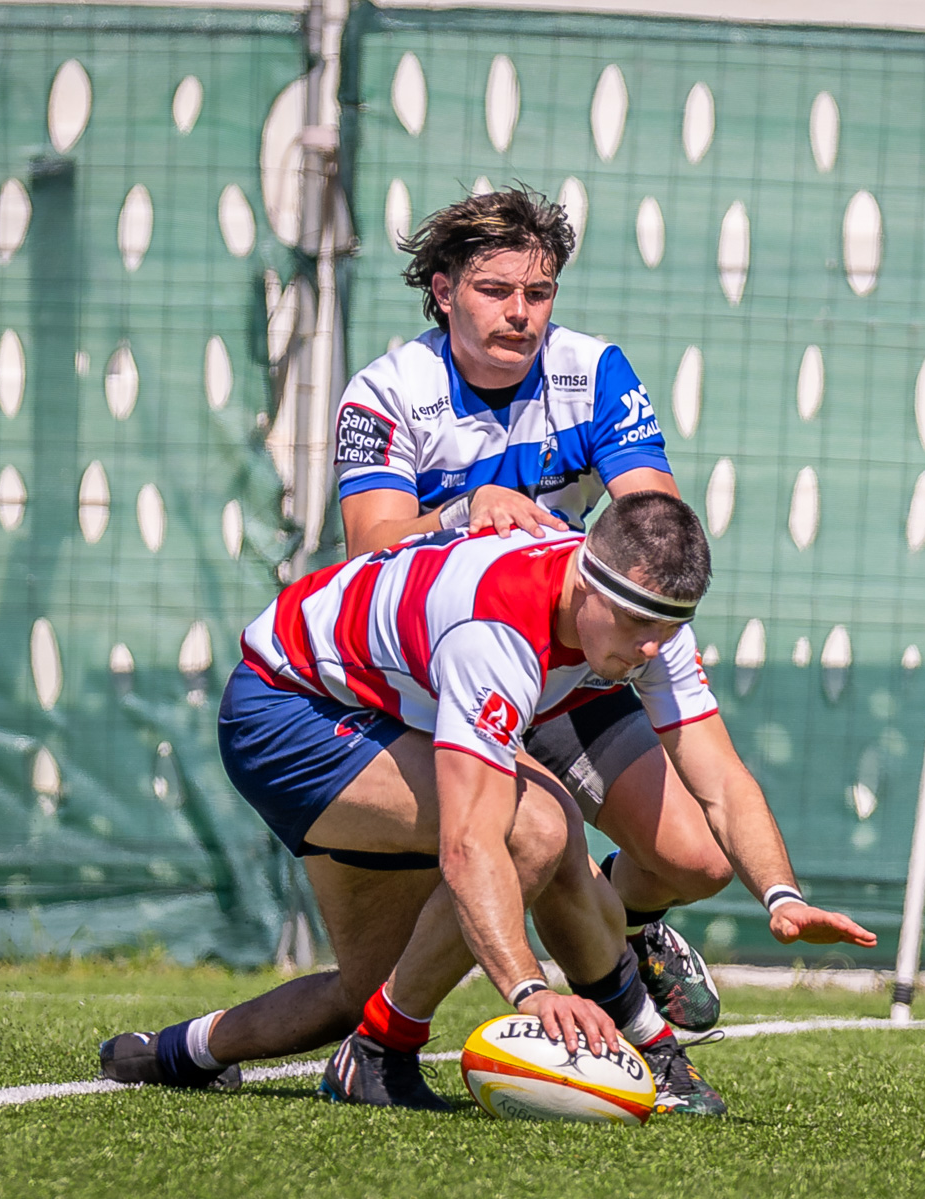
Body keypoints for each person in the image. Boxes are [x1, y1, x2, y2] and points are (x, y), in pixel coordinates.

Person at [101, 494, 875, 1113]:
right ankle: (624, 1047)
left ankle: (179, 1051)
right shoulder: (495, 629)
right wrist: (530, 990)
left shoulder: (643, 617)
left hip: (373, 706)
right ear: (589, 579)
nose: (651, 648)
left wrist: (780, 892)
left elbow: (721, 777)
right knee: (536, 824)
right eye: (639, 623)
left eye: (667, 627)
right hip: (284, 709)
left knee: (367, 987)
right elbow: (472, 843)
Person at [333, 187, 732, 1031]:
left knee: (699, 859)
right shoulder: (386, 391)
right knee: (541, 842)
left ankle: (628, 923)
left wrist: (654, 629)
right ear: (443, 292)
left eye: (539, 293)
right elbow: (367, 548)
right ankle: (421, 1025)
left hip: (563, 657)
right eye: (495, 291)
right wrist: (458, 509)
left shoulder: (595, 373)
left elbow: (650, 524)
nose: (521, 314)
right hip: (435, 676)